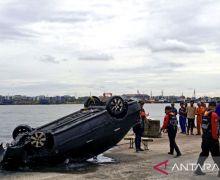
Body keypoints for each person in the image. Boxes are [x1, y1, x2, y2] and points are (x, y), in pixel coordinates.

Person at [194, 102, 220, 176]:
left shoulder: (205, 113)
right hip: (212, 138)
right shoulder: (214, 114)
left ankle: (198, 170)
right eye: (215, 106)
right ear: (213, 106)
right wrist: (215, 138)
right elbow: (214, 128)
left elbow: (204, 125)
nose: (215, 108)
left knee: (204, 153)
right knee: (216, 154)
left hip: (205, 137)